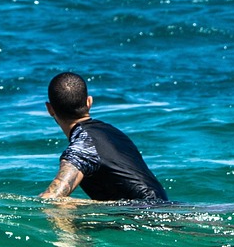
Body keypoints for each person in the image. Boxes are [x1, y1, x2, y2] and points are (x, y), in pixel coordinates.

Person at [39, 72, 168, 203]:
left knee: (63, 205)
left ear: (50, 109)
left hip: (142, 216)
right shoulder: (113, 132)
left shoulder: (83, 145)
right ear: (89, 102)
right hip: (166, 209)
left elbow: (52, 198)